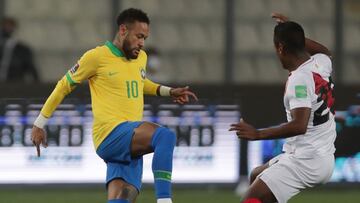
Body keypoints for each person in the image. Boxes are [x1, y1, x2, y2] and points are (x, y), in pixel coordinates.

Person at [30, 8, 198, 203]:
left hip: (129, 138)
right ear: (123, 30)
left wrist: (169, 91)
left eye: (145, 38)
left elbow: (140, 82)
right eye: (139, 36)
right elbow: (63, 86)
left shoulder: (140, 58)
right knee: (164, 136)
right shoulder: (96, 57)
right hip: (110, 134)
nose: (142, 43)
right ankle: (164, 200)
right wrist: (39, 123)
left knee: (124, 196)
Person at [229, 13, 336, 203]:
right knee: (256, 175)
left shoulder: (300, 80)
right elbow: (324, 51)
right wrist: (289, 31)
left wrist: (257, 134)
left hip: (307, 160)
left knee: (250, 199)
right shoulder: (322, 63)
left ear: (280, 48)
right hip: (322, 155)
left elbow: (299, 125)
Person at [0, 17, 39, 83]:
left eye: (10, 27)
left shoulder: (23, 50)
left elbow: (31, 69)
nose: (7, 30)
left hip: (14, 84)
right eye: (5, 27)